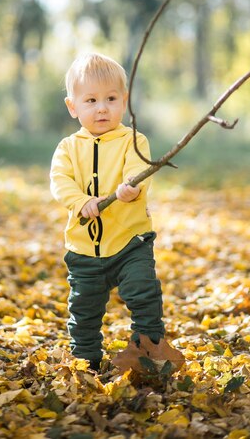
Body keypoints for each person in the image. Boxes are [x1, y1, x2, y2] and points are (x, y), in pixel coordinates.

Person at [50, 52, 183, 373]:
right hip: (84, 249)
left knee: (143, 293)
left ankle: (149, 349)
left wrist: (130, 187)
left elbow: (138, 172)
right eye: (91, 100)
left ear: (123, 101)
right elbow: (60, 182)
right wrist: (82, 201)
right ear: (73, 107)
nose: (102, 108)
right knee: (83, 308)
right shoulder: (68, 148)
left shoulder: (134, 141)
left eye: (111, 99)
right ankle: (86, 359)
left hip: (130, 242)